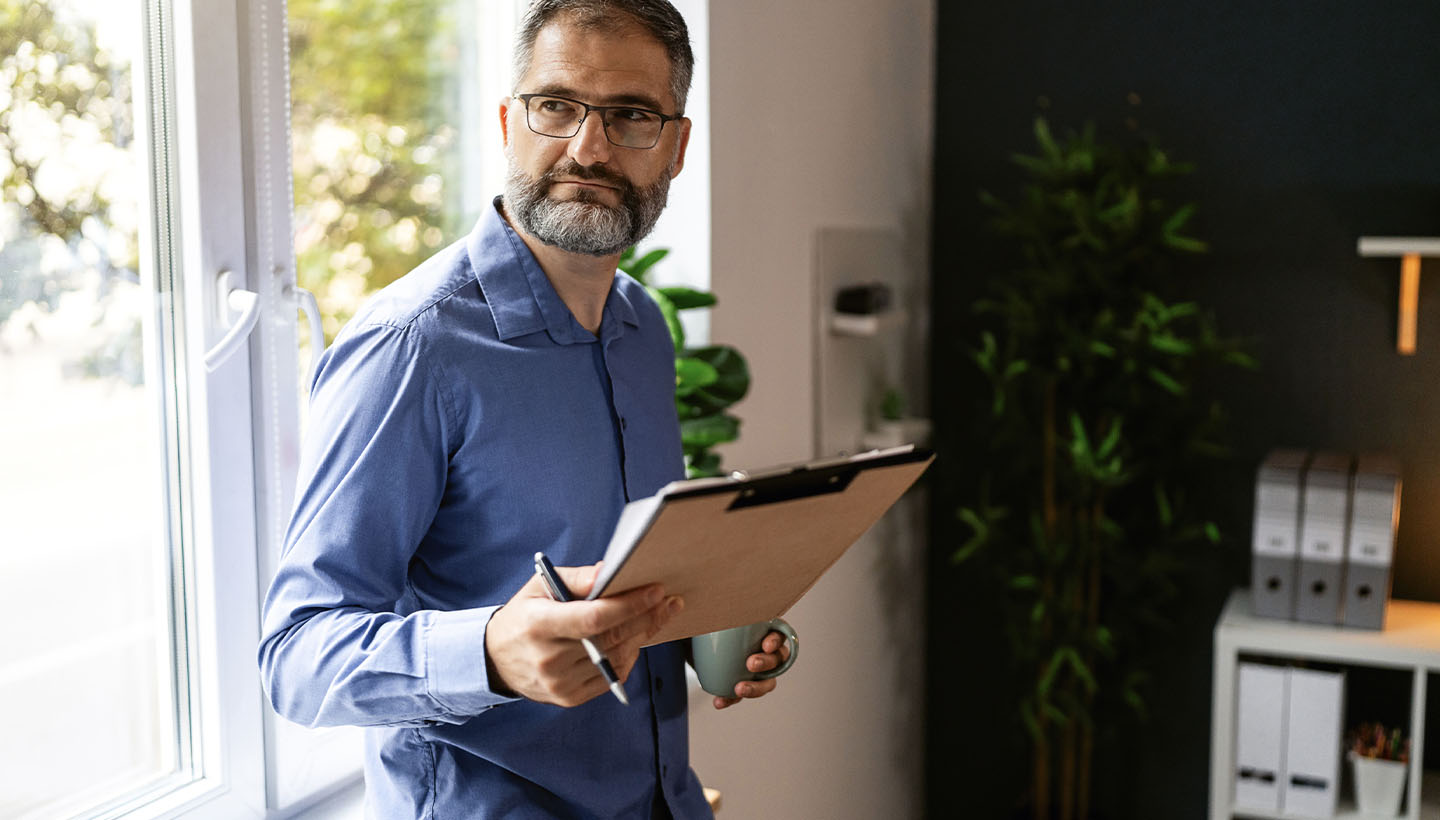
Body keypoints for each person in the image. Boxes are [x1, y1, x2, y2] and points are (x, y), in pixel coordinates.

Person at [258, 1, 790, 817]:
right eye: (556, 106)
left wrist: (709, 621)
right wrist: (489, 653)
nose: (588, 148)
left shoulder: (642, 327)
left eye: (631, 116)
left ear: (676, 147)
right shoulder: (411, 347)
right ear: (509, 120)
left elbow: (625, 583)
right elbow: (295, 660)